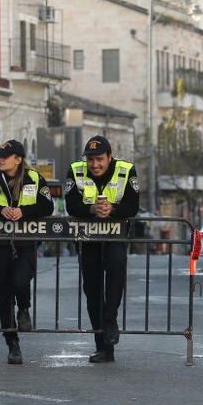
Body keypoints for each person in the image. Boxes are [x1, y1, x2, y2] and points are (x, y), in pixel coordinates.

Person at [0, 140, 53, 364]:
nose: (1, 159)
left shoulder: (34, 178)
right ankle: (12, 342)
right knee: (2, 293)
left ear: (18, 159)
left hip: (26, 242)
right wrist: (1, 210)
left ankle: (24, 308)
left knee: (20, 281)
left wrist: (23, 212)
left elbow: (47, 206)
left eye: (5, 156)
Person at [65, 135, 140, 363]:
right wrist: (92, 209)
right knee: (93, 291)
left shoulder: (126, 170)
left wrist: (112, 208)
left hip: (115, 237)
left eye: (99, 159)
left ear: (110, 157)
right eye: (90, 160)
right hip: (88, 239)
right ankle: (103, 348)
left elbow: (132, 206)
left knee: (115, 278)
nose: (95, 165)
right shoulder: (75, 171)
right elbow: (71, 205)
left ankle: (110, 320)